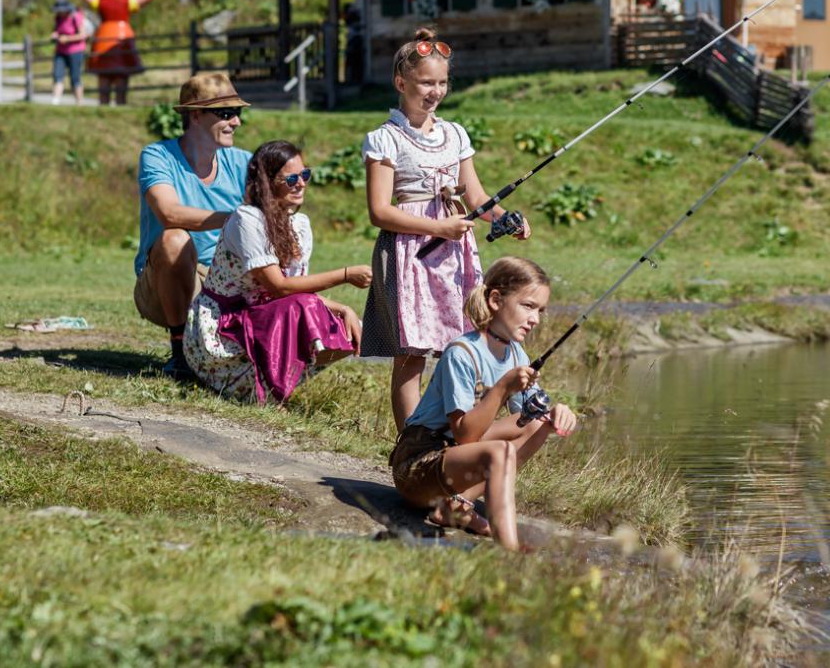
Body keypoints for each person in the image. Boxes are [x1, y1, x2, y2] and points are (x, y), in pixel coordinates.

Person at [361, 27, 532, 432]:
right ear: (401, 82)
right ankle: (412, 443)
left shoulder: (455, 134)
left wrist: (503, 218)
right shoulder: (385, 139)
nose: (435, 91)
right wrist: (438, 225)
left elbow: (476, 196)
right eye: (425, 83)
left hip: (454, 253)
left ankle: (454, 431)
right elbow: (379, 211)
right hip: (409, 256)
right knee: (412, 354)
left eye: (441, 83)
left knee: (459, 343)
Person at [390, 256, 577, 551]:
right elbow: (465, 434)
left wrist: (557, 413)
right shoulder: (461, 353)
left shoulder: (517, 355)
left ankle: (457, 506)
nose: (536, 319)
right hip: (417, 466)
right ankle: (509, 547)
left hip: (453, 462)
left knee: (538, 423)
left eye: (541, 311)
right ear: (495, 300)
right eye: (528, 306)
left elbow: (529, 417)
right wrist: (503, 387)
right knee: (499, 451)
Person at [184, 140, 372, 402]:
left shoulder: (300, 224)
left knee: (345, 326)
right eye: (291, 178)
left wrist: (343, 309)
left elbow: (295, 289)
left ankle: (272, 387)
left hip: (265, 318)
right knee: (305, 308)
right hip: (222, 331)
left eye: (305, 174)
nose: (301, 183)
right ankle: (255, 386)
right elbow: (279, 287)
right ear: (266, 182)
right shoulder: (247, 219)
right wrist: (346, 274)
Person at [135, 72, 253, 378]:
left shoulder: (244, 162)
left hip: (227, 279)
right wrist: (237, 218)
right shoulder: (157, 155)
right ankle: (180, 354)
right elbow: (169, 214)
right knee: (173, 239)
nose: (236, 122)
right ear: (196, 116)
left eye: (237, 113)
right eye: (226, 113)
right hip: (167, 284)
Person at [59, 0, 178, 106]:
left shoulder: (102, 2)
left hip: (104, 38)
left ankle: (105, 104)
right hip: (122, 38)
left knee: (105, 77)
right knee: (121, 76)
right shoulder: (127, 2)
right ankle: (120, 103)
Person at [50, 0, 88, 104]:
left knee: (75, 77)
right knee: (57, 75)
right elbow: (56, 30)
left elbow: (83, 35)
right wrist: (55, 35)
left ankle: (79, 102)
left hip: (75, 51)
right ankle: (55, 101)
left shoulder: (75, 17)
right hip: (61, 51)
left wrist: (67, 39)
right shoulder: (58, 18)